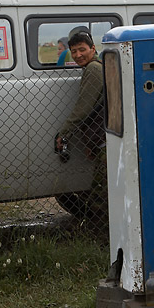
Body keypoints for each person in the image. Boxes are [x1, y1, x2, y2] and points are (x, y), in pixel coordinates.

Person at [55, 31, 107, 216]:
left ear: (93, 48)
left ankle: (100, 234)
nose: (78, 55)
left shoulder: (93, 69)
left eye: (82, 50)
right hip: (103, 137)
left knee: (101, 194)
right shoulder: (97, 66)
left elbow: (83, 108)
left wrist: (64, 133)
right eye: (74, 51)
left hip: (105, 141)